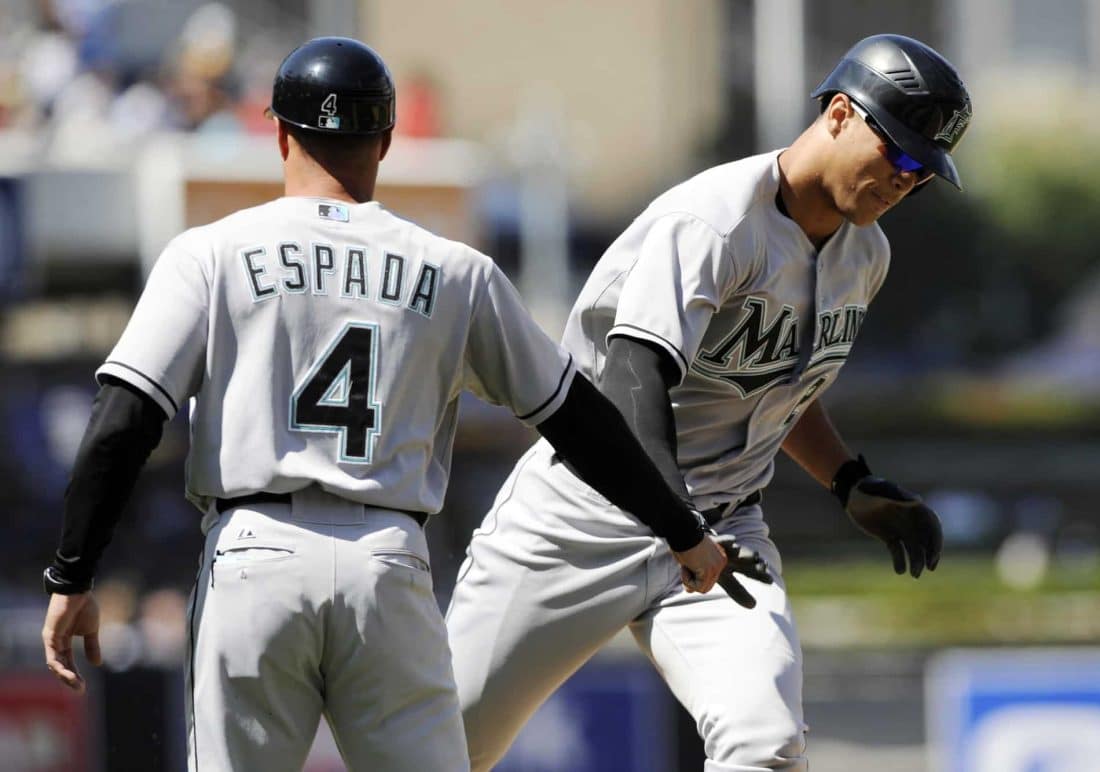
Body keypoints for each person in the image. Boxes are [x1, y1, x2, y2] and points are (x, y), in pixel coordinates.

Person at [39, 37, 769, 772]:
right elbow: (580, 419)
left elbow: (124, 418)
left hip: (254, 553)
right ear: (386, 141)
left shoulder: (211, 253)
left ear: (281, 134)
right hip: (387, 561)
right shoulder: (456, 270)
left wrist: (73, 574)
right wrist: (681, 528)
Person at [446, 33, 966, 771]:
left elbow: (782, 390)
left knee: (766, 743)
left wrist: (849, 481)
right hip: (583, 514)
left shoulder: (864, 254)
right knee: (434, 750)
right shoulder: (713, 221)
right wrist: (677, 524)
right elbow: (634, 381)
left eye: (925, 173)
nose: (906, 181)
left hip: (724, 531)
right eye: (902, 156)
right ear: (843, 113)